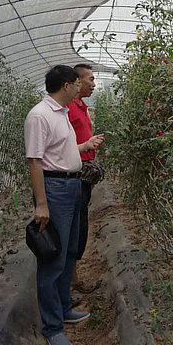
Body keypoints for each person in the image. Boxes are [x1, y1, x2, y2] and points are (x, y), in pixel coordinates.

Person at [24, 65, 104, 345]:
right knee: (52, 259)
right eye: (76, 83)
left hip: (72, 185)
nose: (81, 87)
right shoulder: (39, 116)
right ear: (67, 85)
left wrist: (84, 147)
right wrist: (41, 204)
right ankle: (53, 328)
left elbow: (61, 151)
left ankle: (64, 308)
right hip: (55, 189)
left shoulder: (61, 113)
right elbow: (35, 161)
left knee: (69, 252)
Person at [67, 64, 104, 295]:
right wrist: (84, 147)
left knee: (79, 226)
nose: (94, 84)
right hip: (72, 175)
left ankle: (73, 278)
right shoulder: (67, 108)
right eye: (90, 79)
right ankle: (70, 281)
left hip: (83, 175)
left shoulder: (82, 107)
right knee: (74, 227)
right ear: (78, 81)